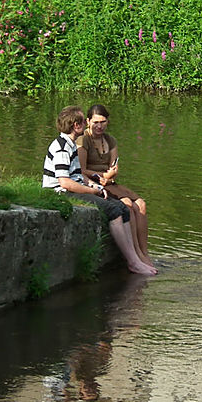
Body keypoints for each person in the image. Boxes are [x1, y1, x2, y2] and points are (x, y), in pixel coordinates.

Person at [43, 105, 157, 276]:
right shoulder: (61, 147)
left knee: (122, 209)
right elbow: (65, 183)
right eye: (83, 121)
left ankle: (135, 257)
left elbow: (76, 177)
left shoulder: (70, 144)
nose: (87, 125)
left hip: (75, 188)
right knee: (114, 211)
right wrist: (92, 191)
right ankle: (133, 262)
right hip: (61, 193)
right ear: (76, 125)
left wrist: (94, 186)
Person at [77, 104, 153, 270]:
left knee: (141, 204)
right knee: (128, 204)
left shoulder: (110, 140)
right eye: (95, 122)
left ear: (107, 122)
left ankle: (144, 252)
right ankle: (135, 254)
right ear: (88, 121)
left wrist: (111, 175)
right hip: (94, 181)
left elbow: (114, 166)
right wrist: (102, 176)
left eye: (103, 122)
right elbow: (81, 170)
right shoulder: (83, 140)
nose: (99, 126)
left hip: (109, 182)